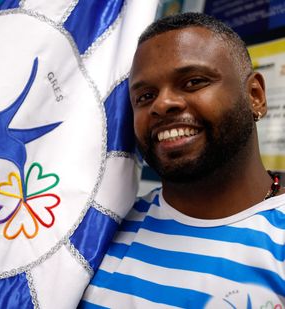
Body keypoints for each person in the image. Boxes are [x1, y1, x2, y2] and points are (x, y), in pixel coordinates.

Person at [81, 12, 285, 308]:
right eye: (145, 96)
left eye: (193, 82)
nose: (161, 105)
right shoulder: (102, 229)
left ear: (254, 95)